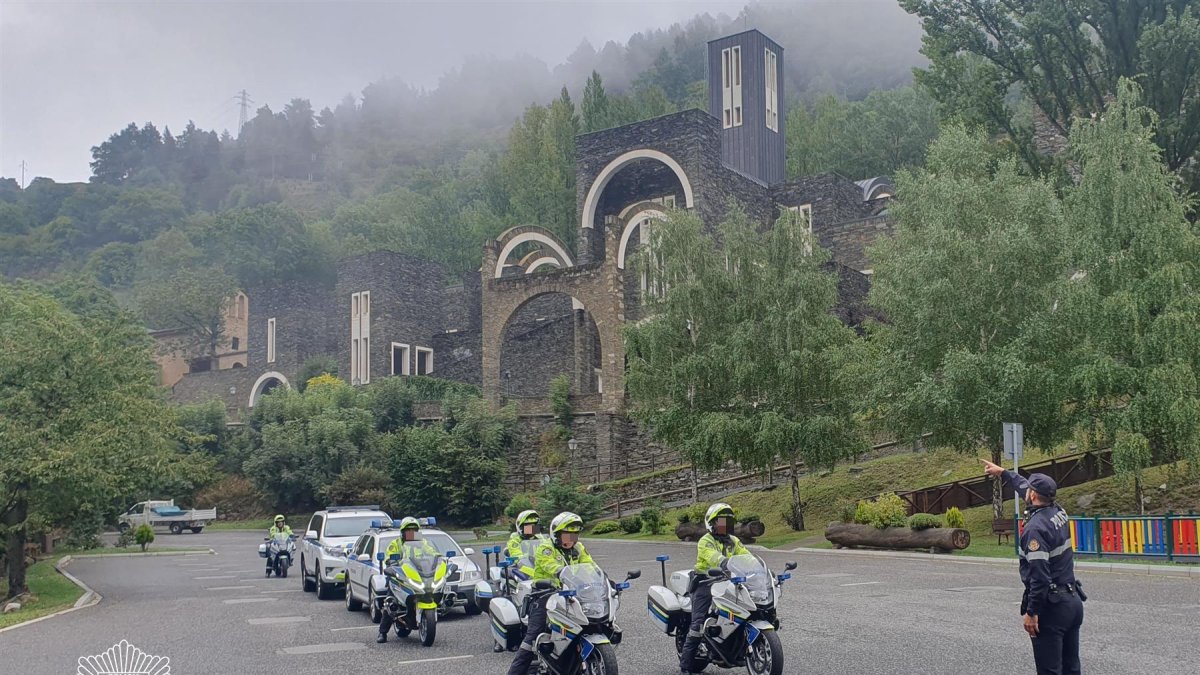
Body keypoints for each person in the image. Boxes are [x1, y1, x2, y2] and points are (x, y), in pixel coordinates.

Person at [983, 459, 1086, 675]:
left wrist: (1032, 611)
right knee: (1071, 668)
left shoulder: (1035, 530)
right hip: (1073, 602)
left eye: (1029, 490)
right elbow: (1023, 486)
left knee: (1050, 670)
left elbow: (1039, 576)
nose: (1026, 491)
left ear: (1033, 495)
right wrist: (1003, 473)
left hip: (1053, 608)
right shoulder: (1058, 511)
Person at [506, 511, 594, 675]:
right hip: (545, 594)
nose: (571, 540)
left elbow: (589, 565)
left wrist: (599, 578)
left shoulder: (579, 548)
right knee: (531, 639)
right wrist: (563, 572)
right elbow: (551, 566)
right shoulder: (545, 548)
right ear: (557, 534)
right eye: (567, 536)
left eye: (574, 536)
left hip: (571, 593)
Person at [680, 503, 750, 675]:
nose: (724, 525)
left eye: (728, 521)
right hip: (705, 582)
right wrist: (724, 562)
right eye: (721, 521)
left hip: (728, 581)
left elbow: (746, 555)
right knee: (697, 625)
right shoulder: (705, 541)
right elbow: (711, 556)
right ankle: (686, 666)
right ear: (711, 524)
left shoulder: (733, 541)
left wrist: (757, 567)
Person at [377, 517, 440, 644]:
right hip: (399, 577)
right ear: (402, 531)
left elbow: (433, 553)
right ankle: (382, 632)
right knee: (391, 603)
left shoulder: (423, 543)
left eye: (414, 530)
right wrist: (391, 562)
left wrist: (439, 559)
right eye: (408, 530)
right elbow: (389, 558)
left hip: (418, 575)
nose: (411, 532)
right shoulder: (395, 543)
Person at [507, 509, 543, 581]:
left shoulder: (540, 537)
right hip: (521, 567)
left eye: (534, 525)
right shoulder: (514, 540)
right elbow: (516, 555)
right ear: (521, 527)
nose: (532, 528)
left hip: (538, 566)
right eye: (529, 526)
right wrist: (529, 557)